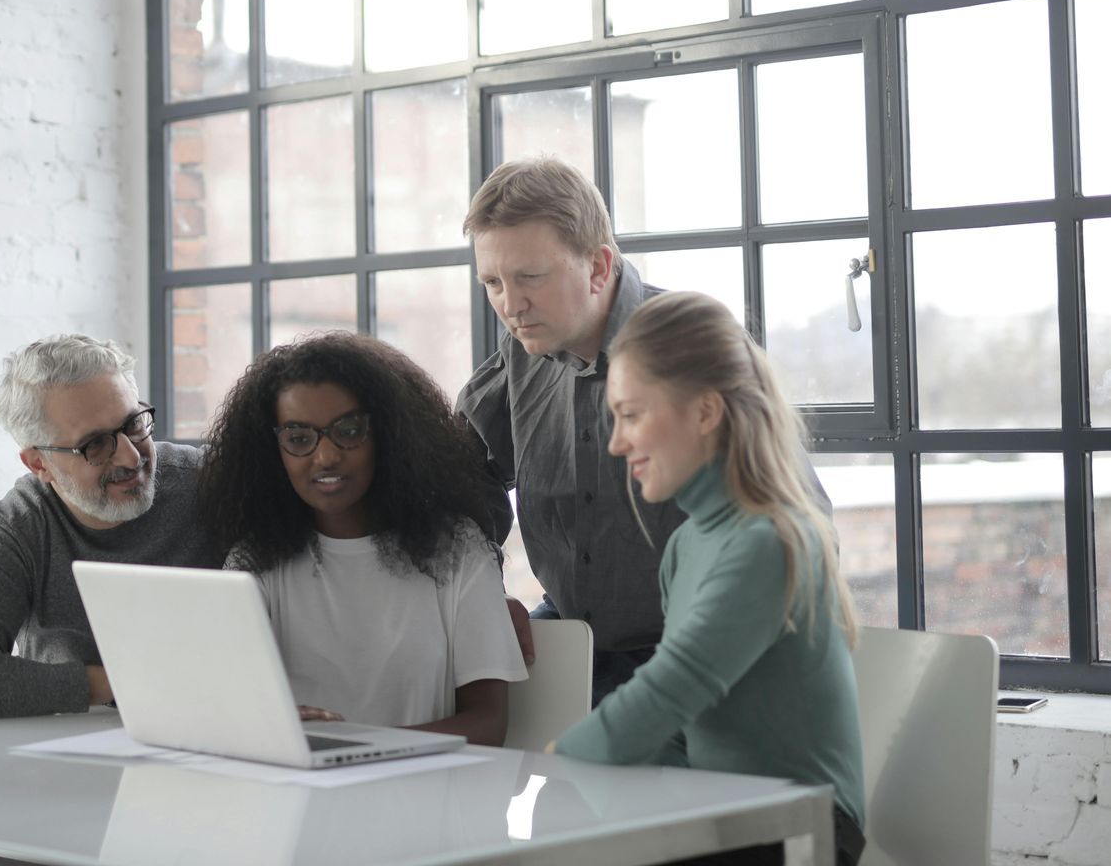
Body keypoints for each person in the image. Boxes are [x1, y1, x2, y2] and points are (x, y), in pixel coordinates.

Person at [552, 291, 866, 866]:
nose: (618, 444)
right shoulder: (685, 546)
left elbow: (673, 687)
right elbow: (682, 727)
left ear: (704, 411)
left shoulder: (770, 542)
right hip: (723, 815)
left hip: (803, 831)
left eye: (631, 414)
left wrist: (562, 759)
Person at [197, 332, 528, 746]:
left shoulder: (457, 549)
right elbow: (231, 713)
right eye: (299, 439)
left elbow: (488, 724)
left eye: (348, 431)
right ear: (272, 451)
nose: (326, 456)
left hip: (429, 799)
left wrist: (353, 747)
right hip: (302, 800)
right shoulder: (255, 563)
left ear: (387, 434)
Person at [456, 156, 683, 705]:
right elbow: (458, 476)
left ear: (600, 267)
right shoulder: (523, 347)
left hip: (687, 657)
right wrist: (485, 597)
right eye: (493, 282)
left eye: (531, 277)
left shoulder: (691, 348)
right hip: (568, 639)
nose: (510, 306)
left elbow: (793, 527)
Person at [0, 334, 218, 719]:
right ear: (39, 464)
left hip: (213, 734)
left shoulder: (207, 483)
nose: (130, 455)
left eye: (134, 424)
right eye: (95, 445)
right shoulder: (19, 527)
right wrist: (130, 682)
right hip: (72, 757)